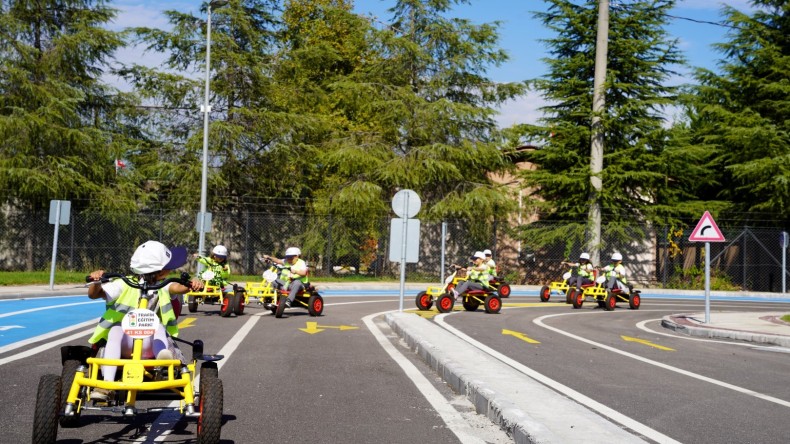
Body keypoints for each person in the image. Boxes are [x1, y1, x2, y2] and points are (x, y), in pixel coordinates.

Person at [86, 240, 203, 402]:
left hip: (151, 344)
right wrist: (96, 281)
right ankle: (106, 385)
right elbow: (94, 294)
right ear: (161, 271)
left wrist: (192, 285)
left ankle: (163, 360)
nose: (170, 271)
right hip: (125, 345)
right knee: (115, 330)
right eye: (167, 268)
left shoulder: (163, 286)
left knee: (157, 326)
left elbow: (178, 287)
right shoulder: (123, 284)